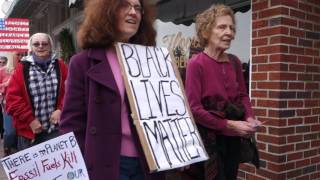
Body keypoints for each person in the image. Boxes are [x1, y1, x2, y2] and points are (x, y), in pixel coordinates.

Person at [59, 0, 164, 180]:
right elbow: (72, 123)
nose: (133, 12)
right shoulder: (81, 63)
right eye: (125, 5)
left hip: (149, 162)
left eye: (138, 8)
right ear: (106, 12)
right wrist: (76, 169)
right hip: (106, 164)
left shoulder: (152, 61)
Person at [185, 4, 262, 180]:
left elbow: (242, 96)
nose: (230, 33)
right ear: (206, 32)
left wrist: (249, 118)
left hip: (233, 140)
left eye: (232, 28)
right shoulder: (196, 64)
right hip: (208, 142)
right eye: (222, 27)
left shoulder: (234, 62)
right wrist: (229, 124)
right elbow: (194, 110)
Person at [6, 33, 68, 151]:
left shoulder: (61, 66)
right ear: (31, 47)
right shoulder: (22, 68)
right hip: (30, 133)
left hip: (56, 130)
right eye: (36, 44)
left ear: (50, 46)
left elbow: (71, 92)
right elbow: (12, 100)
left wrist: (61, 109)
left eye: (45, 44)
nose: (40, 46)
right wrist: (30, 120)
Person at [0, 53, 23, 155]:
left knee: (21, 132)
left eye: (22, 55)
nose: (20, 57)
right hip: (8, 106)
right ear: (11, 56)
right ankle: (8, 151)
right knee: (9, 132)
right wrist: (5, 84)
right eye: (18, 54)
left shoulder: (25, 69)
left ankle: (18, 155)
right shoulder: (2, 71)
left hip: (23, 106)